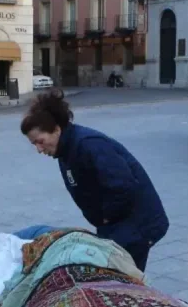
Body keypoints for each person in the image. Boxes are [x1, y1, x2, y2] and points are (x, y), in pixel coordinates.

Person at [20, 89, 169, 272]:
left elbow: (124, 187)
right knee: (115, 276)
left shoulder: (89, 144)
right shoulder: (65, 150)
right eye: (34, 144)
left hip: (138, 224)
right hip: (116, 224)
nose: (39, 149)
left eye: (40, 141)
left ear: (57, 129)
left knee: (123, 279)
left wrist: (105, 217)